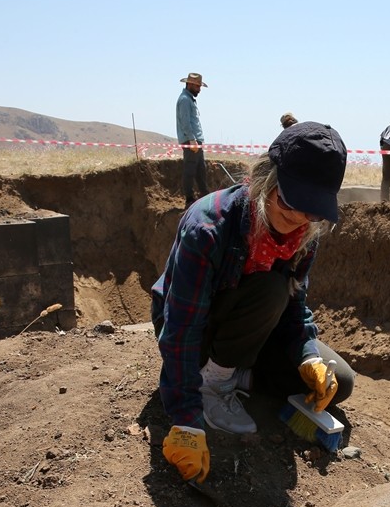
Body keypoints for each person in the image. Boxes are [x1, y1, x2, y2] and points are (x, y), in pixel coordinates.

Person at [151, 122, 356, 484]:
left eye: (312, 211)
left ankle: (237, 371)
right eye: (291, 202)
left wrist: (307, 354)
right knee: (270, 290)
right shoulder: (209, 227)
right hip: (196, 329)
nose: (297, 219)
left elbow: (295, 306)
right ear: (266, 177)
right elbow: (181, 327)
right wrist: (186, 420)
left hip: (250, 326)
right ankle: (213, 384)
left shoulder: (305, 234)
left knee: (338, 379)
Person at [176, 72, 210, 209]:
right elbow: (185, 122)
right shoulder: (184, 100)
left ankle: (205, 196)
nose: (199, 90)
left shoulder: (189, 99)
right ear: (189, 84)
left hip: (195, 140)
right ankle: (189, 199)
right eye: (197, 86)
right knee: (190, 169)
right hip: (191, 141)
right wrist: (192, 140)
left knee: (201, 169)